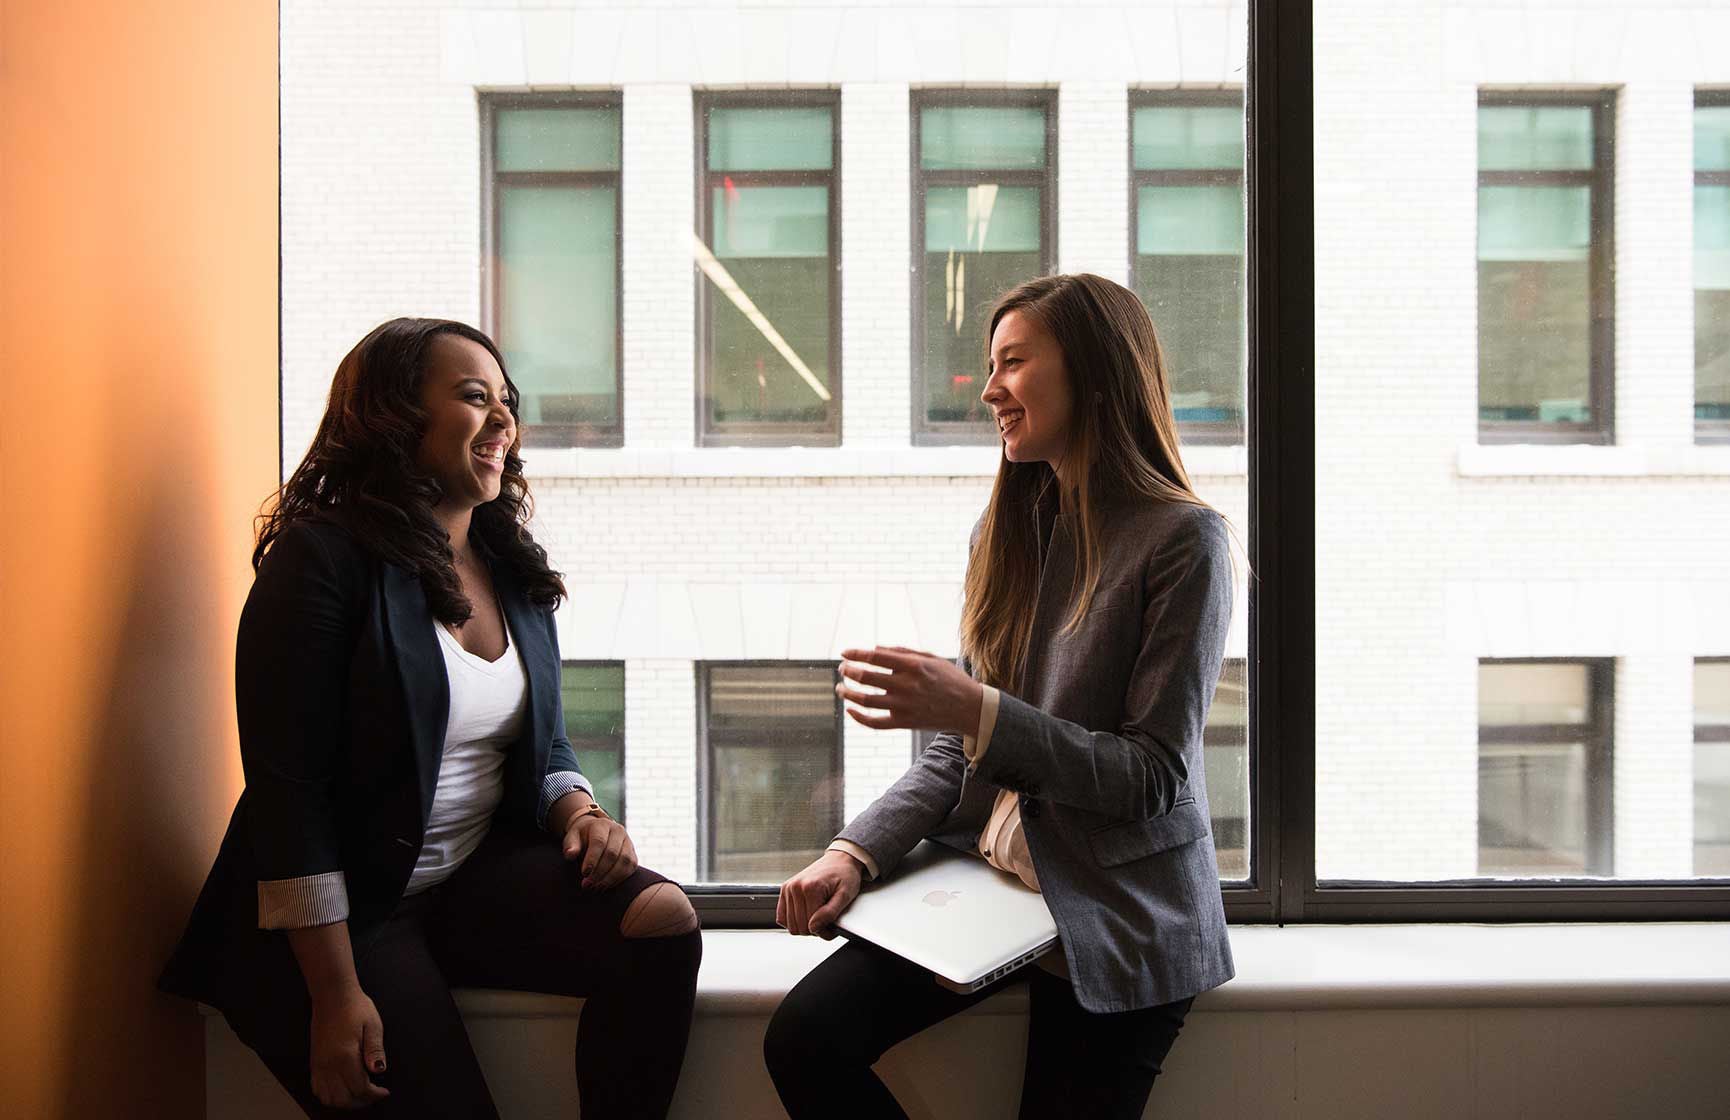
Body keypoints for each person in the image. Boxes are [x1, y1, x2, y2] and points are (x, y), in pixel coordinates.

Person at [160, 318, 701, 1118]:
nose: (503, 420)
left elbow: (540, 738)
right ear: (392, 415)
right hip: (340, 920)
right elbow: (290, 796)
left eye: (508, 402)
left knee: (662, 924)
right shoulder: (320, 561)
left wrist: (580, 808)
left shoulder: (507, 562)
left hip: (457, 880)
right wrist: (335, 997)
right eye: (474, 397)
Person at [765, 274, 1236, 1120]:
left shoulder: (1184, 540)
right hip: (997, 889)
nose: (989, 390)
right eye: (991, 366)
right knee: (803, 1038)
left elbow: (1150, 776)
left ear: (1094, 373)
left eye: (1013, 363)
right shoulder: (1006, 531)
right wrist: (854, 853)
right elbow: (959, 749)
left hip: (1119, 910)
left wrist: (974, 711)